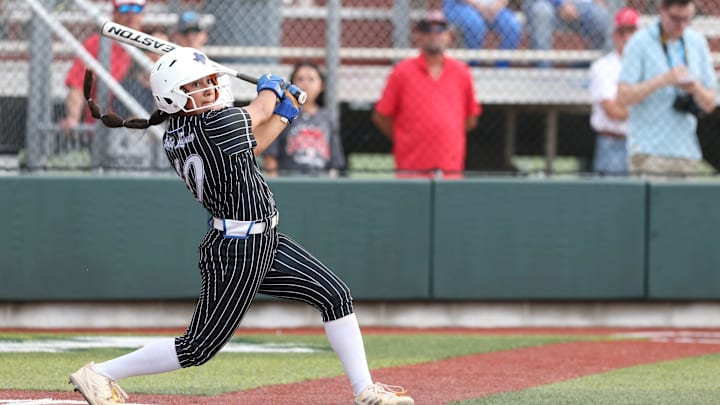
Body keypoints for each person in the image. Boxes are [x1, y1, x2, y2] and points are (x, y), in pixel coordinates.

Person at [67, 47, 414, 405]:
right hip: (238, 250)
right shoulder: (214, 124)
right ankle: (100, 374)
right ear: (173, 95)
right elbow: (258, 110)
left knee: (334, 295)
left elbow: (249, 147)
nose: (209, 87)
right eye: (196, 85)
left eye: (207, 81)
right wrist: (271, 89)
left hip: (263, 240)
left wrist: (284, 114)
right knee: (197, 347)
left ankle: (365, 390)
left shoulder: (182, 129)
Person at [372, 10, 481, 178]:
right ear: (418, 37)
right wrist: (406, 137)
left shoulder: (462, 73)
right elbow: (382, 116)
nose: (434, 35)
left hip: (450, 167)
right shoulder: (402, 72)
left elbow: (470, 119)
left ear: (449, 36)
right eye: (427, 30)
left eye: (440, 30)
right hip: (411, 168)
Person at [617, 0, 717, 177]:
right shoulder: (640, 43)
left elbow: (710, 103)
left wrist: (694, 88)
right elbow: (622, 97)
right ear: (662, 11)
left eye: (687, 19)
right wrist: (663, 80)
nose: (681, 25)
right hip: (648, 149)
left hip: (687, 150)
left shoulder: (697, 42)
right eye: (675, 19)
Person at [59, 0, 146, 132]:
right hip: (107, 128)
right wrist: (73, 117)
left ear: (143, 14)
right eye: (124, 9)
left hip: (145, 127)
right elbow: (77, 83)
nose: (131, 15)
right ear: (114, 13)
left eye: (137, 9)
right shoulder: (97, 44)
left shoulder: (152, 45)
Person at [263, 61, 346, 176]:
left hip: (321, 180)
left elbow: (335, 160)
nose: (305, 84)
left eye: (311, 79)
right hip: (289, 180)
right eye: (300, 79)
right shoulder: (282, 112)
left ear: (322, 85)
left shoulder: (327, 117)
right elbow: (270, 154)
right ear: (291, 85)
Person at [588, 7, 639, 175]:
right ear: (614, 35)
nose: (626, 38)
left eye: (631, 31)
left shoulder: (649, 67)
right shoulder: (603, 66)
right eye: (621, 32)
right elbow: (613, 110)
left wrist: (627, 104)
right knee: (610, 198)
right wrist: (646, 110)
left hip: (644, 144)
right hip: (613, 143)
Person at [522, 0, 610, 67]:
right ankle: (543, 72)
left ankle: (588, 68)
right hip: (545, 3)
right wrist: (560, 3)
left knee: (601, 16)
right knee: (541, 12)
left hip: (580, 4)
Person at [442, 0, 522, 67]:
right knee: (475, 25)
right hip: (460, 5)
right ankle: (473, 66)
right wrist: (480, 7)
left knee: (512, 26)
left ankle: (502, 67)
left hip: (492, 7)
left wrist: (496, 7)